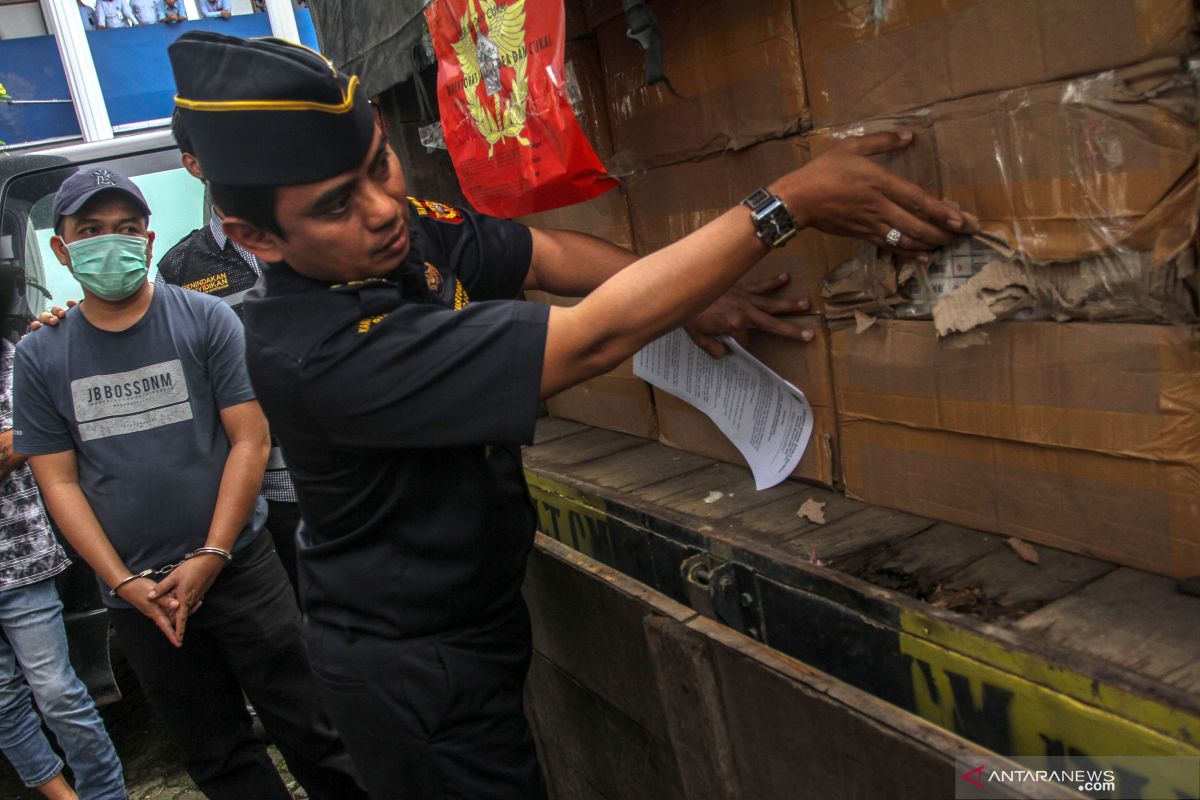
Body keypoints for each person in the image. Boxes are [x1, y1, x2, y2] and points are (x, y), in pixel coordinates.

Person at [169, 31, 962, 799]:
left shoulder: (393, 230)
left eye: (381, 163)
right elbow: (589, 340)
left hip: (474, 616)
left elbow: (540, 255)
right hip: (408, 668)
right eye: (338, 204)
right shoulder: (320, 352)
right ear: (255, 240)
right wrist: (783, 206)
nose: (383, 208)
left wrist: (696, 295)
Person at [12, 168, 368, 800]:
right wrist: (123, 582)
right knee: (216, 753)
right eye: (90, 231)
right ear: (62, 250)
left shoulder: (204, 320)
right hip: (137, 596)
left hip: (241, 568)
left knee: (314, 730)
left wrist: (212, 553)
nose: (109, 243)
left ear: (148, 242)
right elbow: (58, 482)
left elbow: (249, 441)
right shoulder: (42, 357)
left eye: (125, 229)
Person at [157, 112, 302, 594]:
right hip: (268, 499)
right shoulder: (178, 270)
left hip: (368, 474)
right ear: (193, 164)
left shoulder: (323, 228)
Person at [0, 339, 125, 800]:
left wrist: (16, 441)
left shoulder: (12, 358)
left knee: (58, 692)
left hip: (20, 561)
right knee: (3, 702)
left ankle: (106, 794)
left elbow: (26, 436)